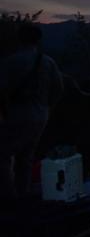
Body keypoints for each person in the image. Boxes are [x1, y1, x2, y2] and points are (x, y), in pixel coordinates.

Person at [0, 19, 63, 201]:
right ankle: (23, 193)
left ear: (19, 39)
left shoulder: (11, 62)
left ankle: (9, 197)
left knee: (3, 155)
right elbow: (58, 89)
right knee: (26, 156)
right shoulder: (48, 62)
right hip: (41, 115)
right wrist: (48, 108)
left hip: (17, 113)